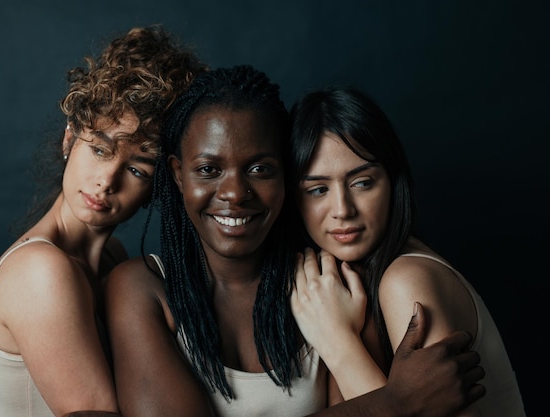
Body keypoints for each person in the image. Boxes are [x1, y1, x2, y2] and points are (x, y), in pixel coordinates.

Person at [104, 65, 485, 417]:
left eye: (259, 169)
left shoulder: (328, 286)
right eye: (208, 169)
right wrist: (392, 403)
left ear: (286, 176)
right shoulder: (142, 288)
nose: (235, 192)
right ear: (177, 174)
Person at [0, 25, 205, 417]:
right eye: (100, 149)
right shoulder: (40, 272)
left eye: (137, 169)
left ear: (158, 185)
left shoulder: (113, 258)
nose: (107, 180)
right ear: (69, 140)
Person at [288, 86, 526, 416]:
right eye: (318, 190)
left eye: (362, 183)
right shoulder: (341, 288)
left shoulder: (406, 280)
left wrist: (336, 340)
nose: (342, 209)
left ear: (392, 181)